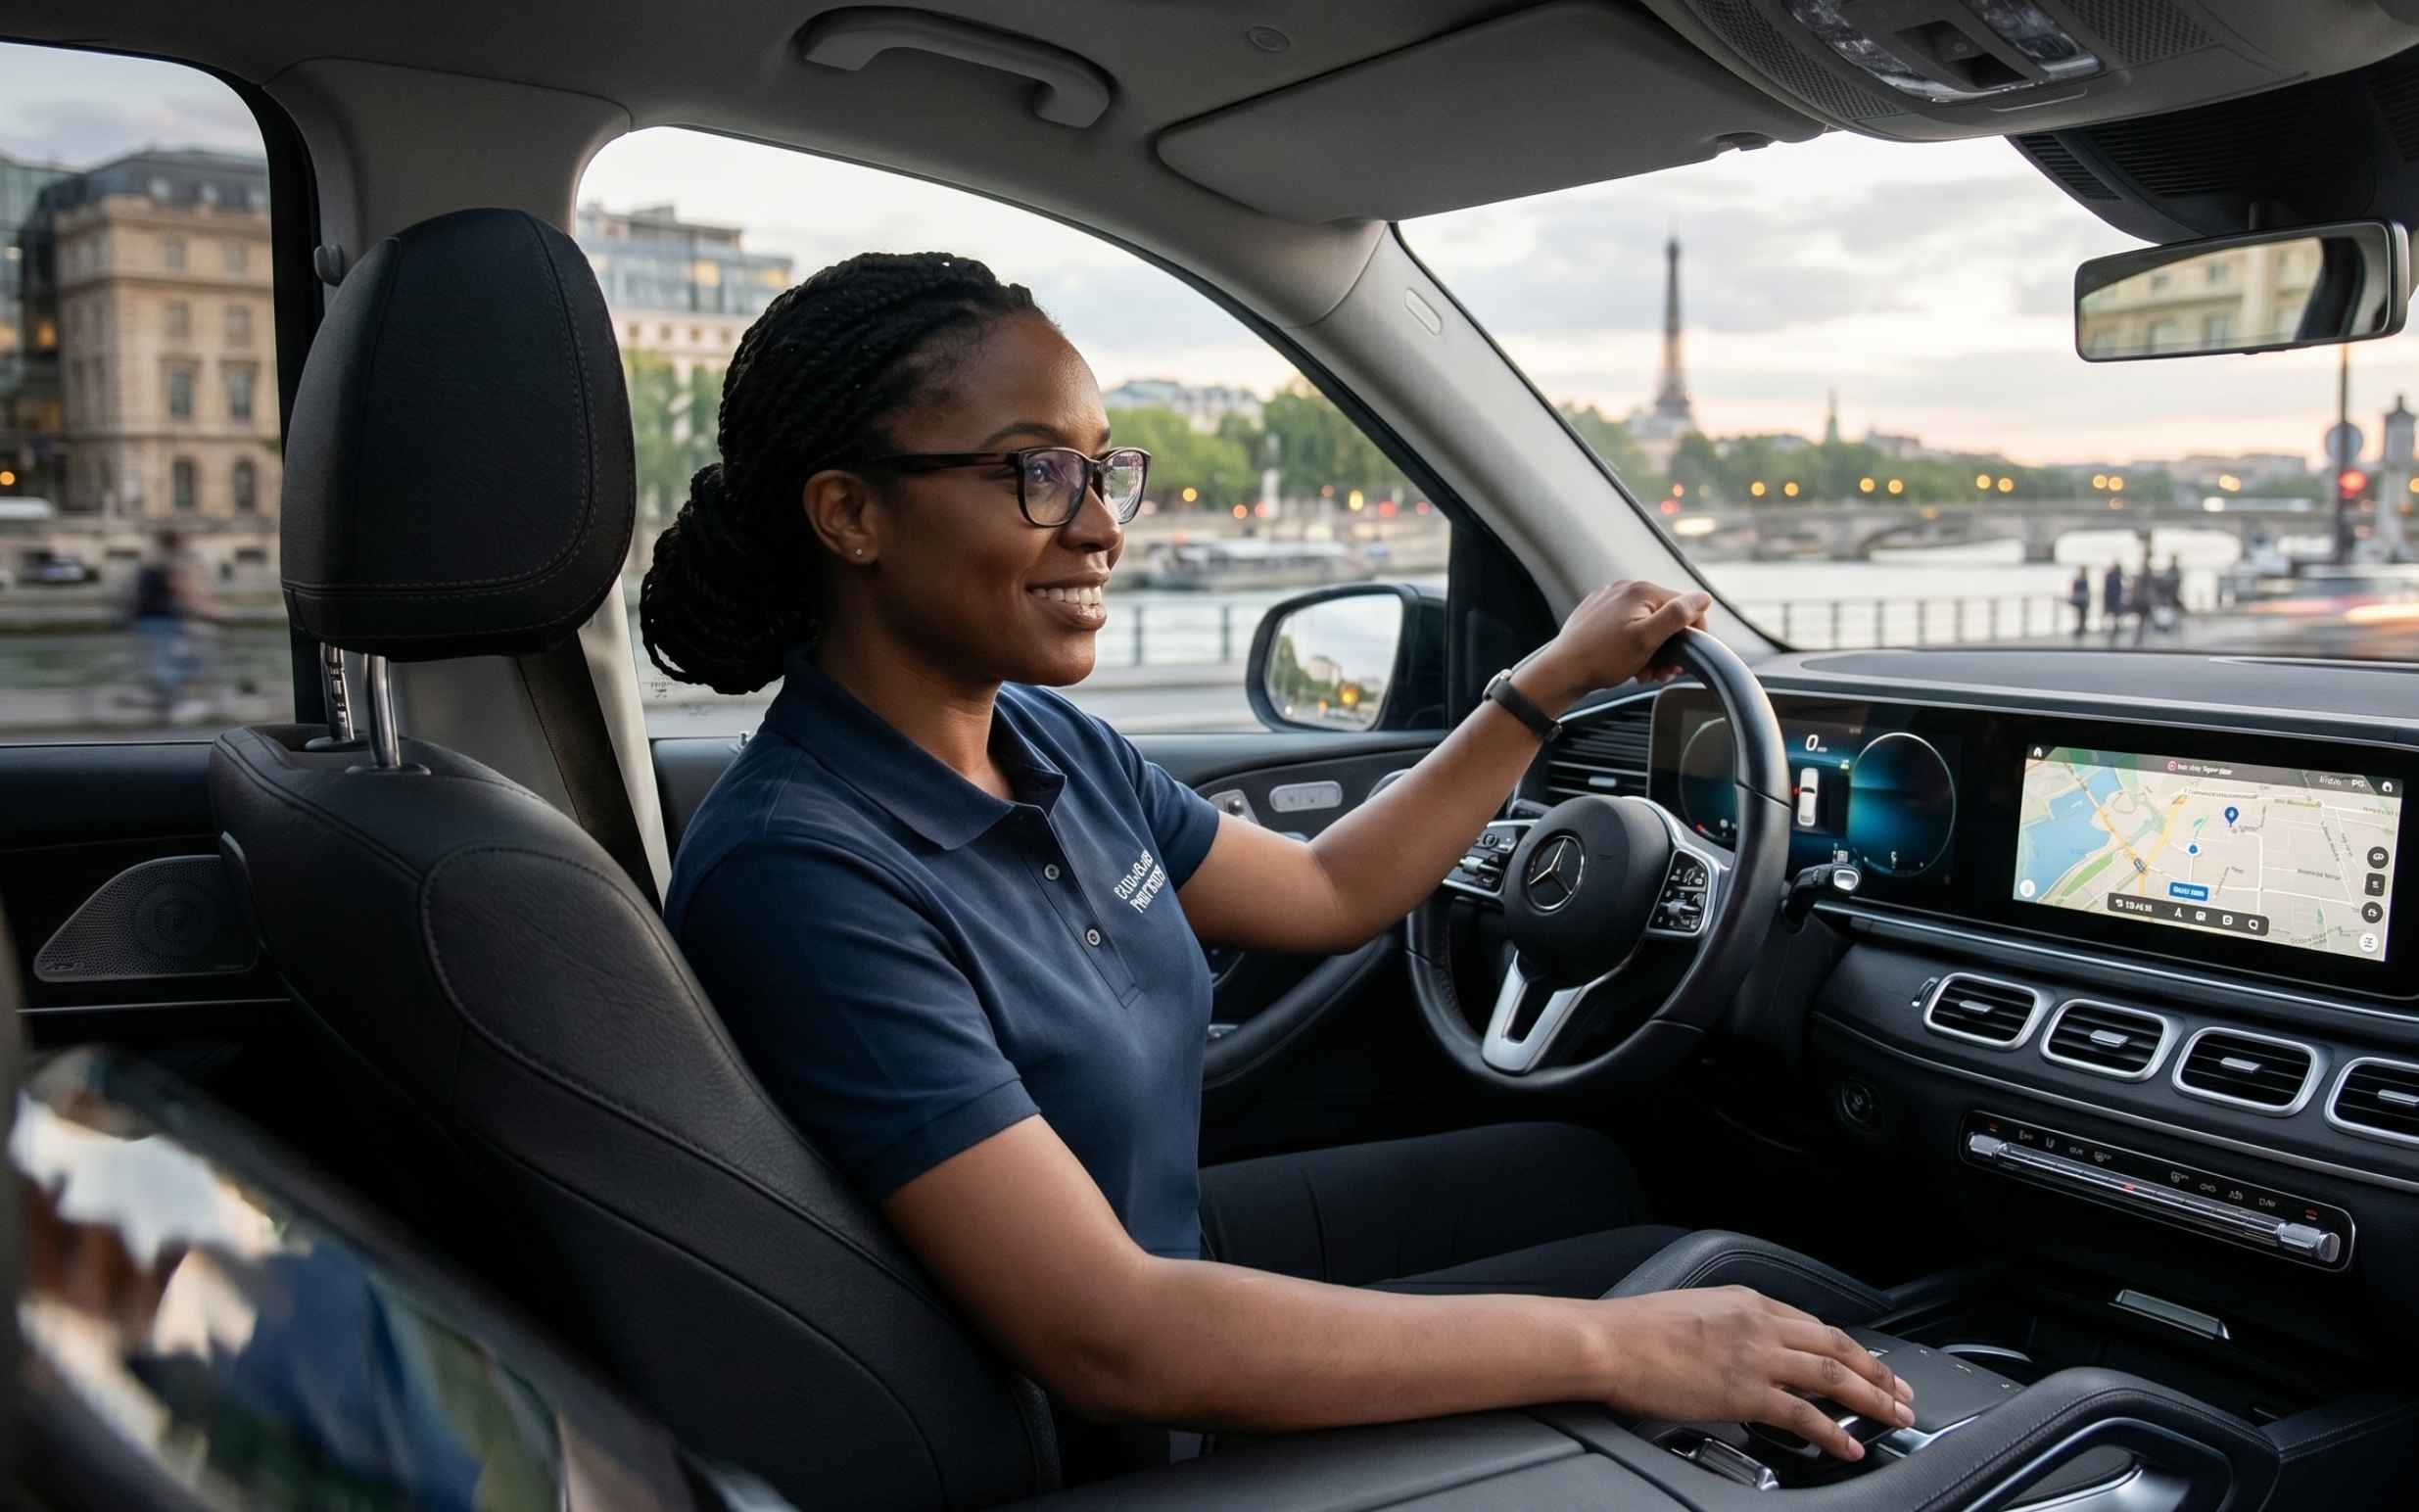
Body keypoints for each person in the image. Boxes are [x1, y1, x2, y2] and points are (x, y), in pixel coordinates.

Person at [641, 253, 1912, 1477]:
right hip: (1092, 1438)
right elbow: (1114, 1340)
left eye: (1104, 470)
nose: (1100, 529)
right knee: (1687, 1307)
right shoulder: (801, 875)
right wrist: (1611, 1349)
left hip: (1159, 1287)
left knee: (1596, 1186)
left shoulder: (1040, 739)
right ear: (850, 513)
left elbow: (1324, 893)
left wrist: (1542, 690)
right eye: (1037, 472)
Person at [127, 530, 218, 722]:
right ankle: (178, 705)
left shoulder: (152, 559)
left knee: (166, 659)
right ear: (176, 543)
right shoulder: (169, 562)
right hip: (163, 619)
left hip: (147, 618)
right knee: (174, 662)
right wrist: (208, 610)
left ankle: (159, 697)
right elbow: (182, 590)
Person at [2101, 560, 2126, 642]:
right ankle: (2111, 632)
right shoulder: (2116, 576)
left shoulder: (2112, 576)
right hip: (2113, 599)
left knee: (2113, 616)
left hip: (2113, 598)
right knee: (2113, 616)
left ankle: (2111, 632)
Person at [2067, 565, 2091, 638]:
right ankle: (2081, 629)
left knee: (2081, 615)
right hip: (2082, 601)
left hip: (2080, 600)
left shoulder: (2081, 580)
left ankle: (2081, 629)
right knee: (2081, 615)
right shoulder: (2084, 580)